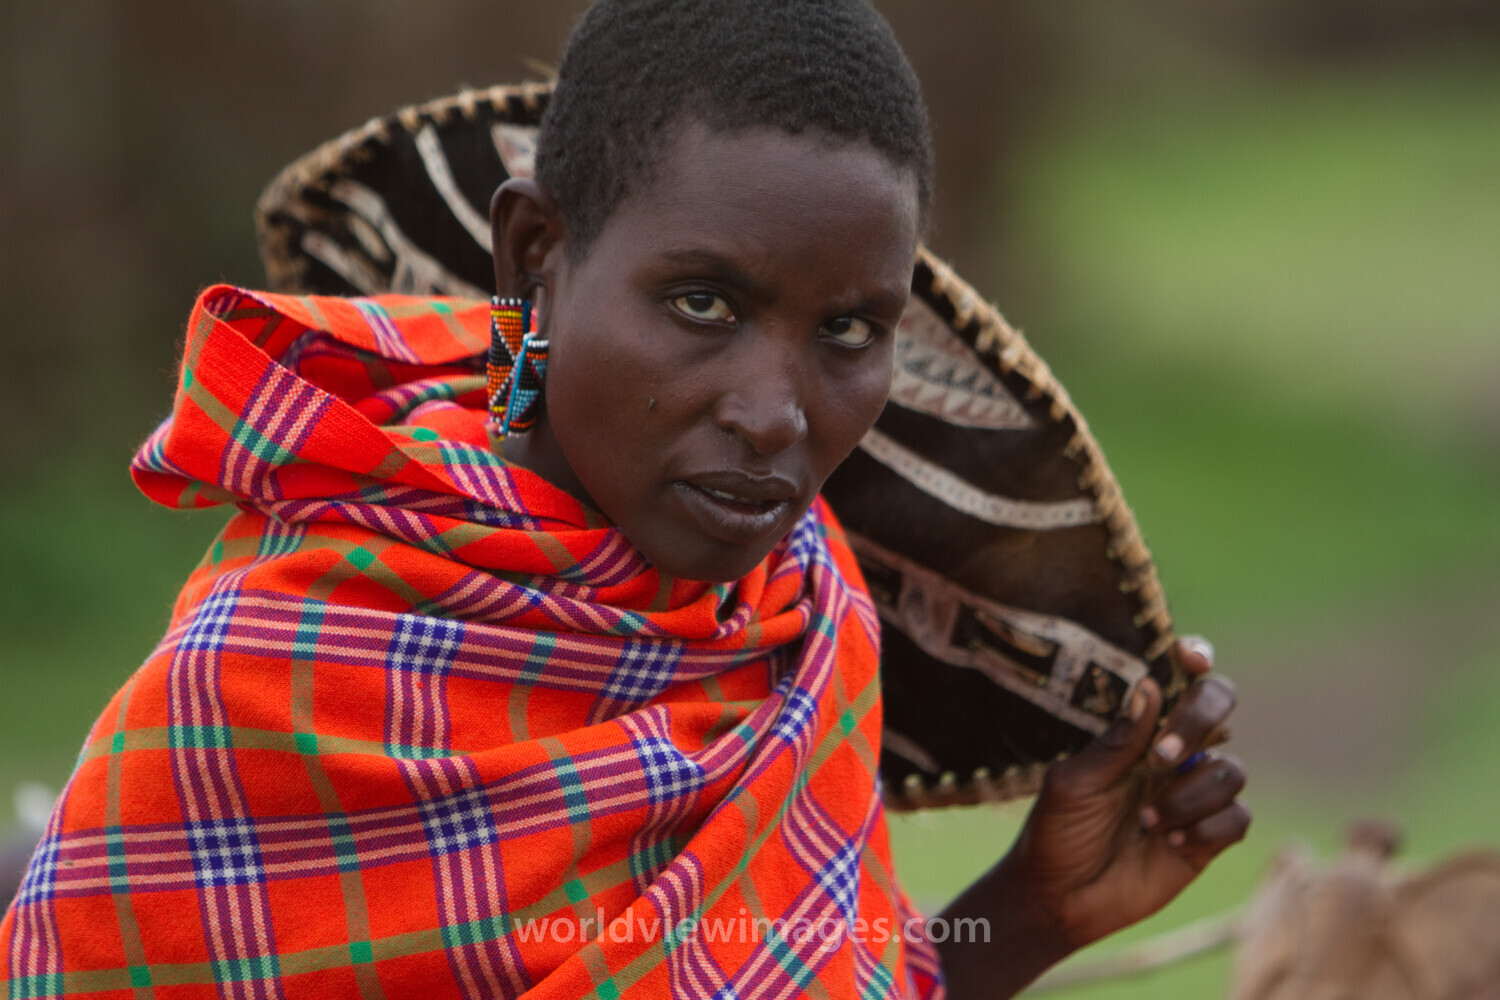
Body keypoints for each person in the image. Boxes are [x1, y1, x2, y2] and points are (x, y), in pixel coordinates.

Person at [0, 1, 1246, 997]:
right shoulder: (267, 685)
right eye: (705, 303)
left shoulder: (804, 618)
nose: (776, 412)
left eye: (850, 330)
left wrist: (1029, 913)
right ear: (536, 258)